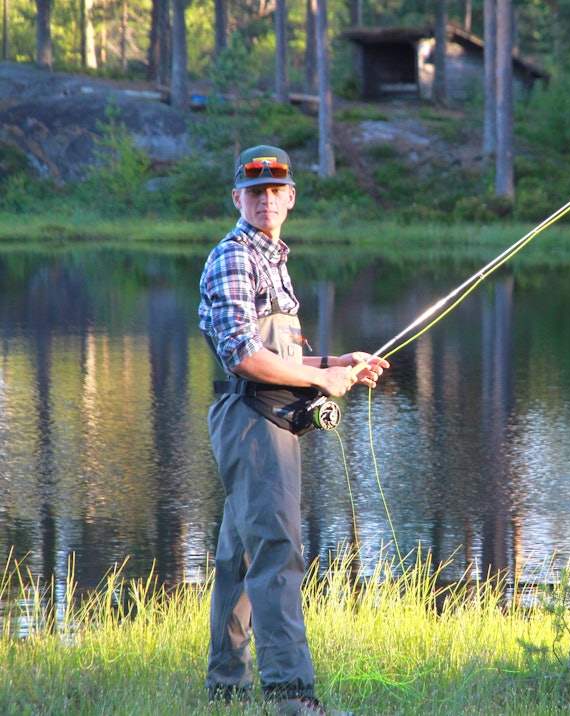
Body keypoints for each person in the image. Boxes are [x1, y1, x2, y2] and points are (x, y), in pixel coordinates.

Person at [198, 144, 388, 715]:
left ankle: (225, 690)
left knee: (239, 558)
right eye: (255, 191)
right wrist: (324, 384)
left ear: (291, 198)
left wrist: (333, 366)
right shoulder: (235, 256)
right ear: (238, 198)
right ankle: (292, 699)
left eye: (276, 190)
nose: (266, 200)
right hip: (253, 422)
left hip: (269, 419)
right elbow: (243, 357)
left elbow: (277, 355)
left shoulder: (272, 257)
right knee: (277, 554)